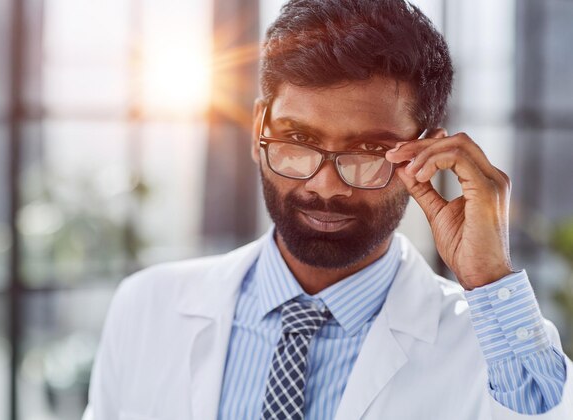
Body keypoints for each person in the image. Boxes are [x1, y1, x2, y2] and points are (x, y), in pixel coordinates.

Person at [83, 0, 572, 419]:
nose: (326, 185)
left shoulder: (491, 348)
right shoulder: (146, 307)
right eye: (297, 140)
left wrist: (490, 279)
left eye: (368, 150)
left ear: (426, 155)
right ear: (258, 129)